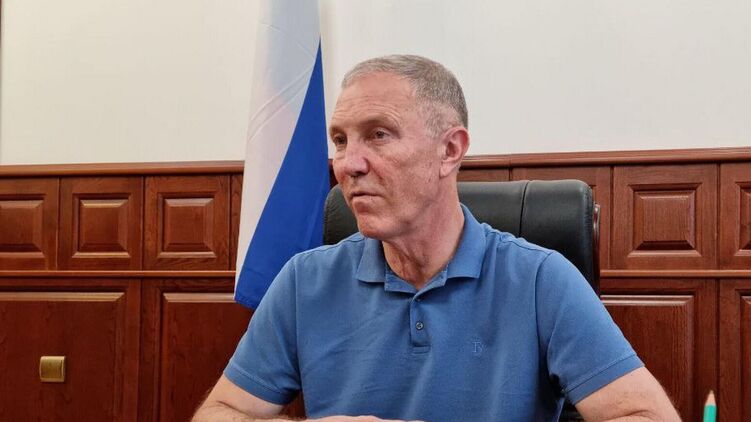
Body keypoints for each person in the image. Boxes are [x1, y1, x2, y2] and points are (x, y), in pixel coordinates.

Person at [193, 55, 680, 422]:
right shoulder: (305, 280)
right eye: (340, 140)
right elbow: (220, 413)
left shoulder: (539, 279)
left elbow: (644, 415)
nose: (348, 164)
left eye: (378, 134)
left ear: (450, 150)